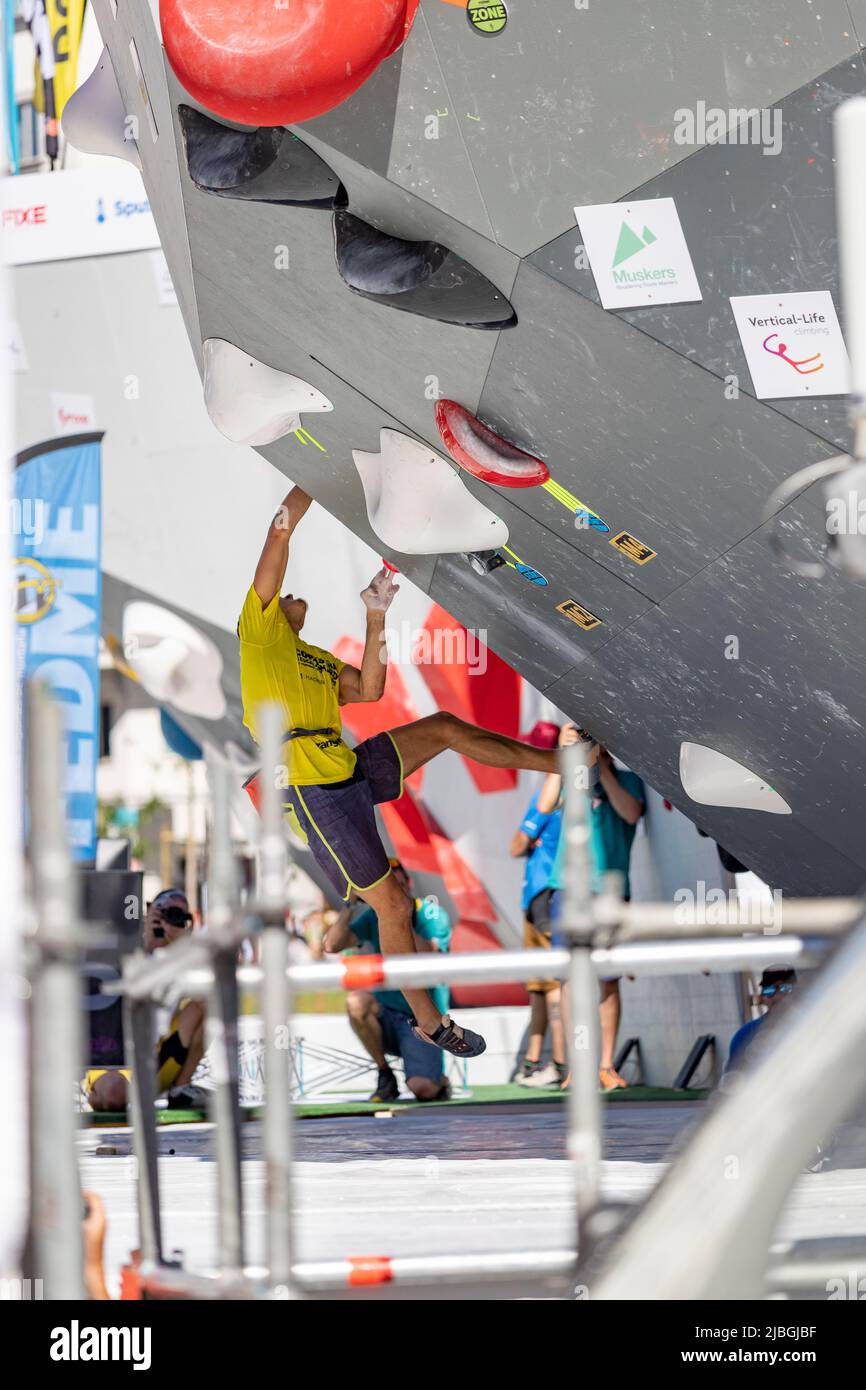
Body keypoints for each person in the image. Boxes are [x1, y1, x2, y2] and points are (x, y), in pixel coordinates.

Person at [238, 484, 560, 1060]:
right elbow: (279, 532)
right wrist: (310, 478)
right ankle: (430, 1024)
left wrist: (375, 614)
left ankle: (557, 763)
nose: (292, 595)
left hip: (344, 767)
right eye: (284, 595)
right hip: (312, 788)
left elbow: (368, 688)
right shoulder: (259, 637)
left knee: (443, 727)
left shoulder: (311, 657)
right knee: (393, 905)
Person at [537, 728, 646, 1091]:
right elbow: (544, 805)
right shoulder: (571, 778)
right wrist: (562, 755)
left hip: (609, 892)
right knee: (569, 979)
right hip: (568, 890)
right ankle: (575, 1065)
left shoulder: (628, 780)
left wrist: (606, 768)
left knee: (607, 978)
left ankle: (605, 1065)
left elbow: (630, 814)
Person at [323, 859, 453, 1102]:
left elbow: (431, 954)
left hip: (423, 1016)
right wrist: (349, 905)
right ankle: (385, 1073)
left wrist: (399, 916)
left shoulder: (429, 912)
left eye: (400, 885)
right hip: (388, 1014)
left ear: (409, 884)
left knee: (424, 1090)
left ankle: (440, 1081)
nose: (396, 891)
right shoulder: (374, 916)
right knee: (357, 1002)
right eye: (390, 888)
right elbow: (332, 945)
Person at [85, 889, 206, 1112]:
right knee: (113, 1096)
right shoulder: (125, 943)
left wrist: (180, 943)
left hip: (156, 1058)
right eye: (164, 912)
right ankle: (99, 1092)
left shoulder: (184, 954)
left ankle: (181, 1088)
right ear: (149, 912)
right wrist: (147, 944)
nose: (169, 920)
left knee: (206, 1001)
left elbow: (211, 982)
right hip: (115, 1054)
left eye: (178, 916)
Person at [509, 721, 569, 1089]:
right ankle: (535, 1062)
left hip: (545, 894)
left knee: (553, 984)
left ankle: (559, 1065)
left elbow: (515, 846)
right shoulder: (571, 791)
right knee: (541, 985)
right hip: (543, 895)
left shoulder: (551, 792)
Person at [725, 969, 797, 1072]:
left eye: (785, 989)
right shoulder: (746, 1034)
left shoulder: (813, 1027)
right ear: (762, 997)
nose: (777, 997)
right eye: (769, 990)